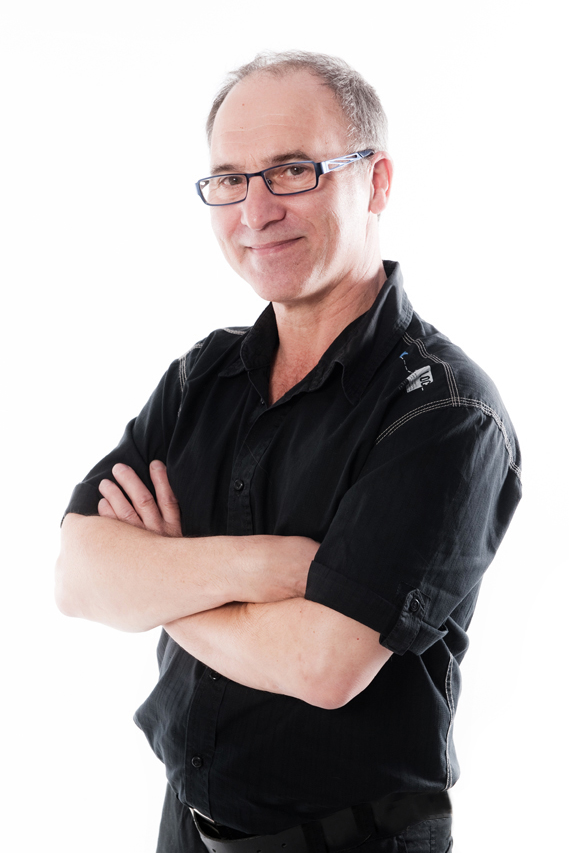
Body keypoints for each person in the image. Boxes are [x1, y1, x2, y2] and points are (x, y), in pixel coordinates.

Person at [55, 51, 521, 853]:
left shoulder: (445, 410)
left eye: (292, 171)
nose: (255, 210)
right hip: (184, 829)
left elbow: (321, 665)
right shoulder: (203, 377)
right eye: (229, 179)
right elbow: (77, 576)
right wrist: (267, 565)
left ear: (375, 181)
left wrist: (162, 578)